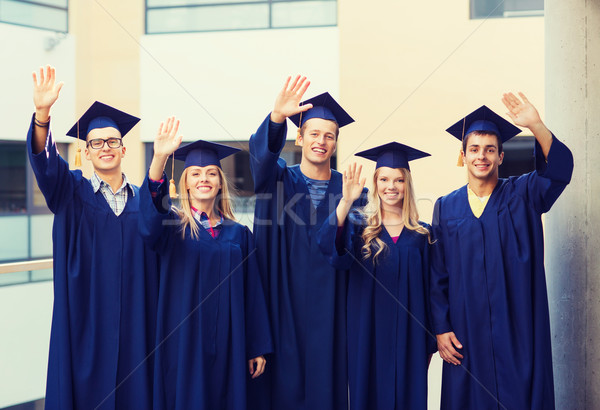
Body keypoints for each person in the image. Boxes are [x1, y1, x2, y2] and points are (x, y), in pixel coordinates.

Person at [430, 93, 574, 409]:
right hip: (467, 333)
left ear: (500, 157)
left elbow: (561, 171)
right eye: (474, 149)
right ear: (463, 156)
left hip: (518, 327)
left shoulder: (524, 193)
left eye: (490, 150)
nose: (482, 156)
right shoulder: (445, 207)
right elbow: (437, 274)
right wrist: (440, 328)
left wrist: (536, 125)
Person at [27, 65, 159, 410]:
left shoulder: (145, 202)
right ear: (86, 152)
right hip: (84, 326)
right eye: (96, 143)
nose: (105, 147)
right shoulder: (71, 193)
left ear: (123, 150)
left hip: (135, 328)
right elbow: (45, 162)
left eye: (112, 141)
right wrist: (43, 114)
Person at [248, 75, 367, 410]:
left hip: (331, 316)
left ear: (335, 144)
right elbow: (260, 162)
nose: (321, 141)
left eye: (329, 136)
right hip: (280, 307)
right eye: (313, 134)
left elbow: (347, 254)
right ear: (299, 138)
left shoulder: (352, 190)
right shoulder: (278, 179)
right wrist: (276, 118)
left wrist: (345, 204)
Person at [138, 117, 272, 410]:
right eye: (196, 173)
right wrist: (159, 158)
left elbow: (253, 293)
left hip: (230, 342)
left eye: (212, 173)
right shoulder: (172, 227)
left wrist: (256, 346)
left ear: (220, 182)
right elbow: (147, 225)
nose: (204, 179)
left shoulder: (239, 234)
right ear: (184, 182)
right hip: (185, 341)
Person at [317, 142, 437, 410]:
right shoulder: (359, 229)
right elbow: (329, 248)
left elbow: (433, 292)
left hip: (410, 337)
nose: (391, 186)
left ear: (408, 185)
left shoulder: (423, 235)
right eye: (383, 179)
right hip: (366, 334)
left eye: (398, 180)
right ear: (375, 183)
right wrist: (346, 201)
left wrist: (429, 342)